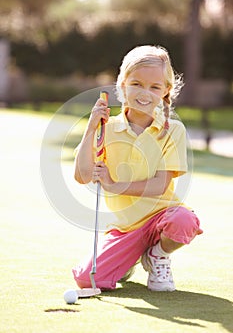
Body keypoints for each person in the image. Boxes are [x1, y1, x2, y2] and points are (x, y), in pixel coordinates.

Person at [72, 45, 203, 292]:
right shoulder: (106, 128)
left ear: (166, 92)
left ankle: (158, 254)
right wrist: (91, 128)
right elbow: (82, 176)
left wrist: (114, 185)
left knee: (184, 220)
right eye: (136, 84)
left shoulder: (173, 130)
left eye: (155, 87)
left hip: (163, 217)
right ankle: (129, 258)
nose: (145, 93)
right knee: (86, 279)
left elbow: (159, 185)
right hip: (126, 227)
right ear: (122, 85)